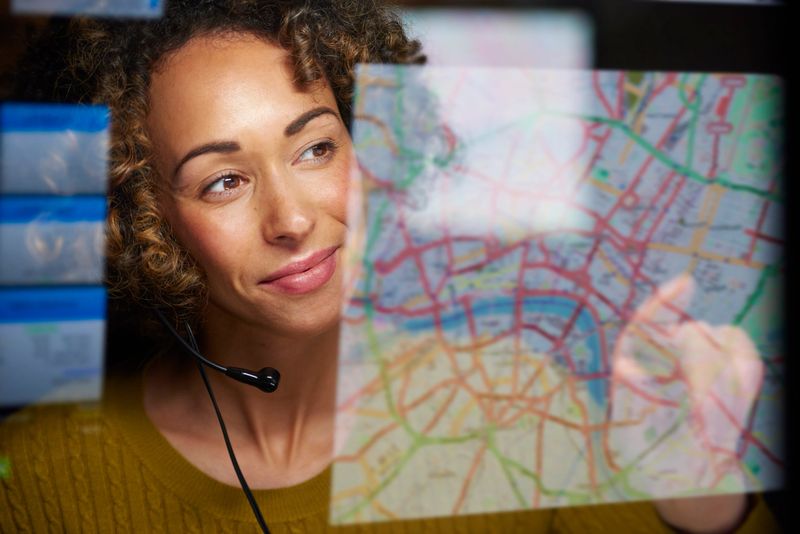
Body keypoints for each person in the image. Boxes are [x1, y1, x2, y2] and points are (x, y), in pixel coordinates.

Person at [0, 1, 781, 532]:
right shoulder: (37, 481)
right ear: (144, 219)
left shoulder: (521, 407)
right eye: (224, 180)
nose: (294, 219)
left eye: (315, 148)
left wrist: (696, 484)